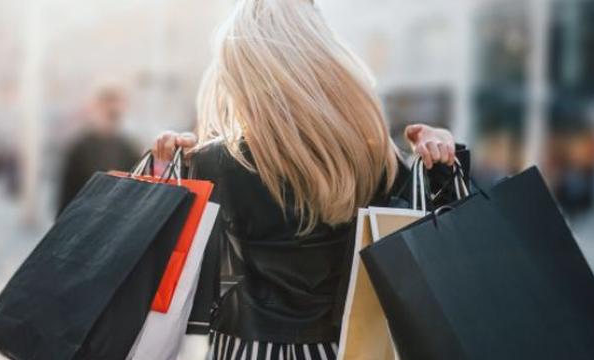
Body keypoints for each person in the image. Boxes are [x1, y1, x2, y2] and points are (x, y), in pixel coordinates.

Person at [152, 1, 464, 359]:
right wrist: (440, 157)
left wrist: (168, 169)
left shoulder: (215, 161)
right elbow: (438, 233)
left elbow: (171, 262)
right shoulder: (368, 155)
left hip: (244, 348)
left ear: (244, 68)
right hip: (341, 347)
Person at [57, 83, 139, 216]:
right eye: (107, 104)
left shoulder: (129, 148)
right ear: (96, 107)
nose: (112, 110)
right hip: (82, 220)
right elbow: (66, 197)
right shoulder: (79, 147)